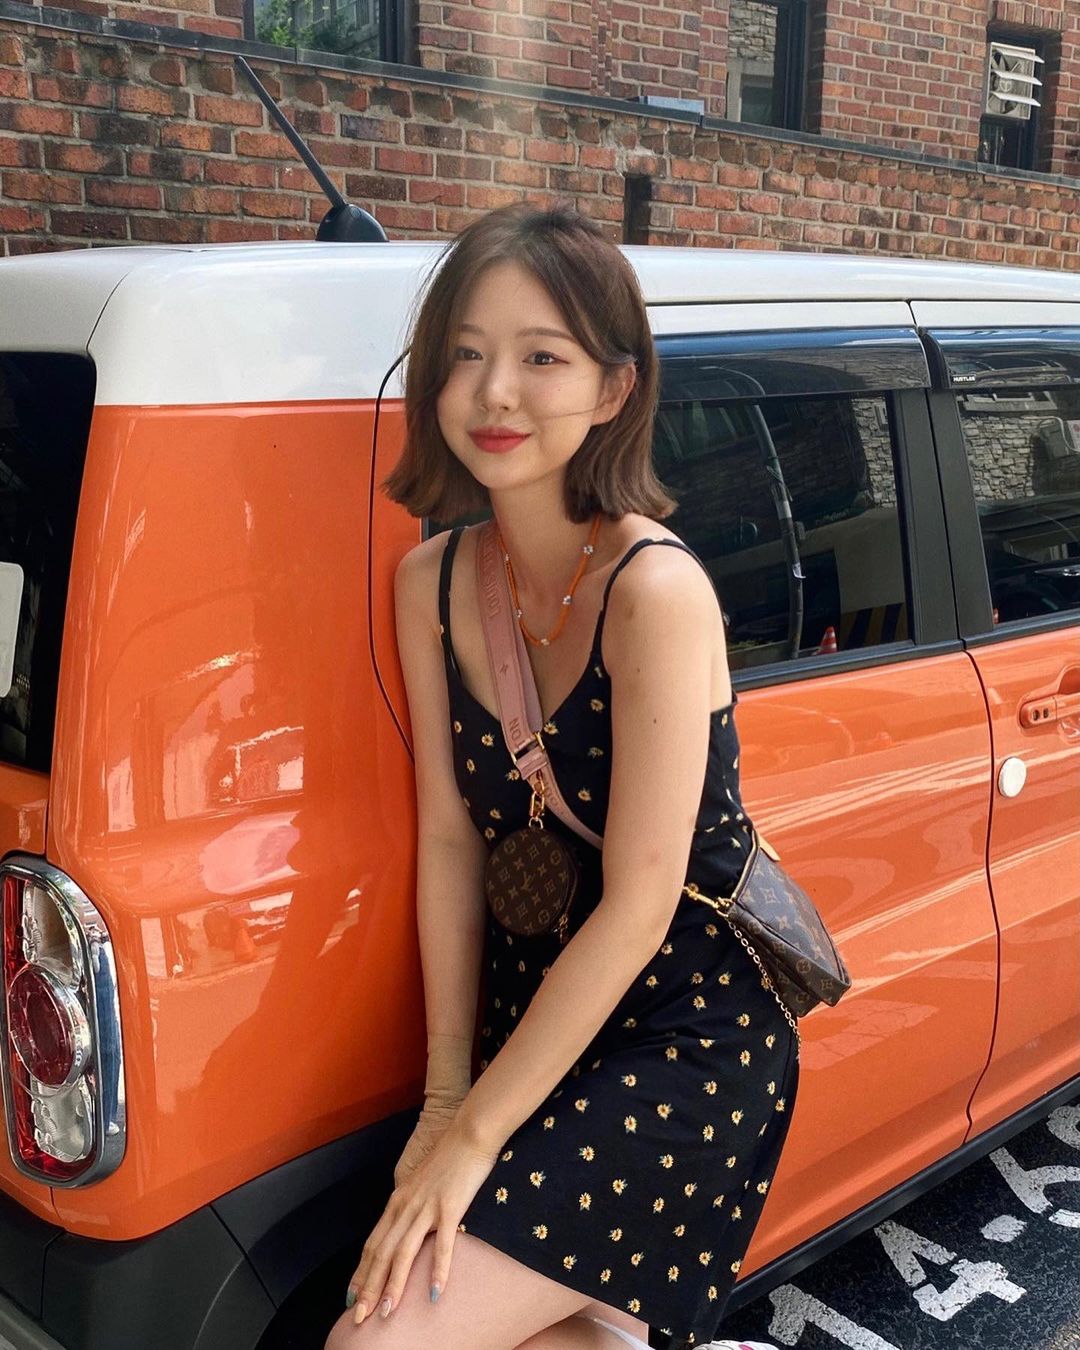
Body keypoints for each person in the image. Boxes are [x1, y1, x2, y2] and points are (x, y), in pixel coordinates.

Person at [323, 201, 798, 1350]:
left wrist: (471, 1137)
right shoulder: (428, 583)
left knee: (378, 1337)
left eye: (542, 358)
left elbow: (640, 905)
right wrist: (446, 1093)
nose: (496, 393)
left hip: (681, 1031)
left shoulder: (655, 593)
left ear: (614, 387)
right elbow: (453, 838)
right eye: (466, 354)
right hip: (533, 1016)